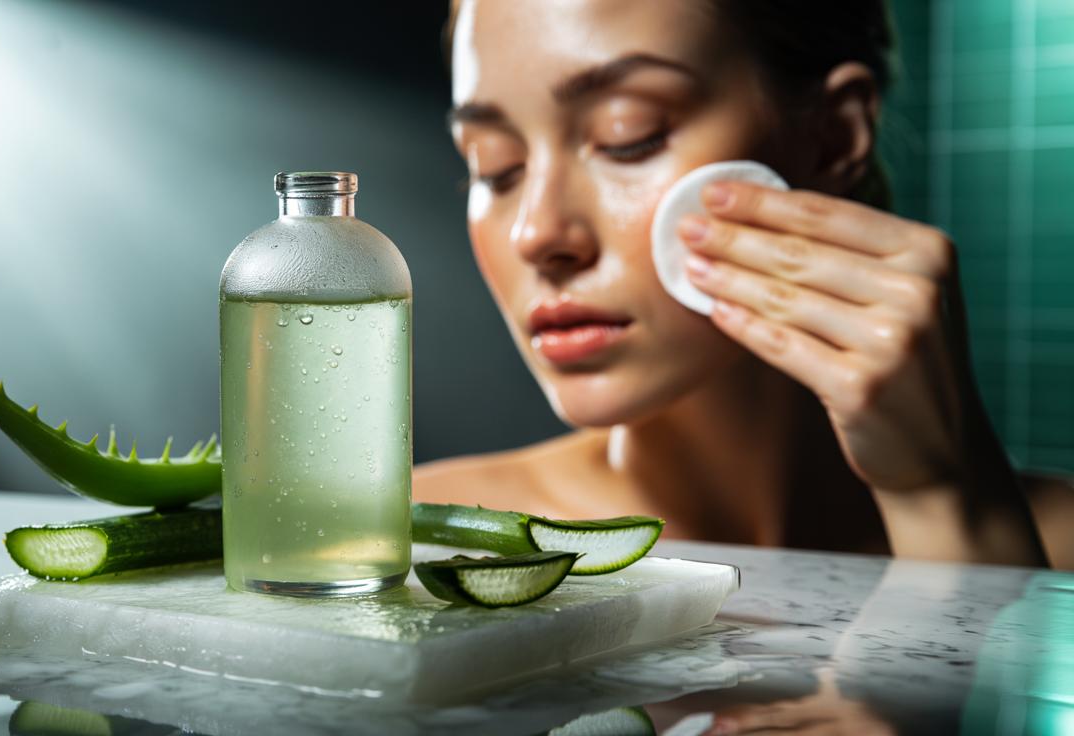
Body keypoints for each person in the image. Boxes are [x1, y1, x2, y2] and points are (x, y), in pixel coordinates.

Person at [413, 0, 1069, 568]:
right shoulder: (406, 541)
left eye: (627, 136)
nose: (537, 233)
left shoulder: (1049, 551)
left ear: (831, 139)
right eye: (493, 168)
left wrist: (939, 502)